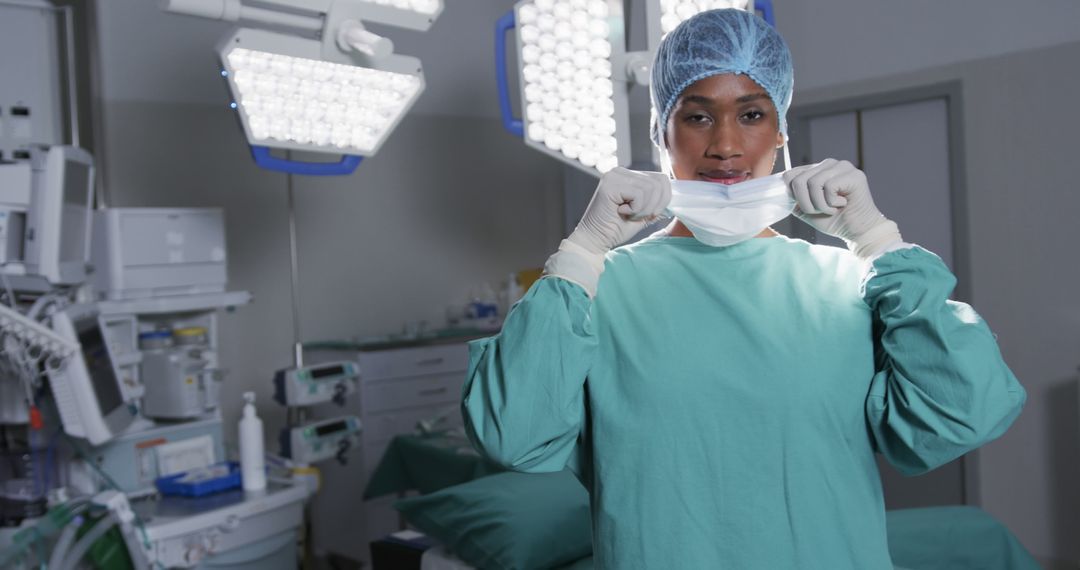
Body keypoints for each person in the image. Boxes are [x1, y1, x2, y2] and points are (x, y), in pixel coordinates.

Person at [462, 8, 1025, 569]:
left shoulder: (851, 286)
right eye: (698, 117)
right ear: (662, 131)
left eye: (751, 114)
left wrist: (878, 242)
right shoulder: (597, 290)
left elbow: (964, 412)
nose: (726, 145)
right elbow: (513, 435)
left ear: (782, 131)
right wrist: (582, 253)